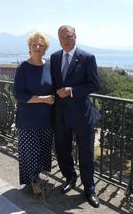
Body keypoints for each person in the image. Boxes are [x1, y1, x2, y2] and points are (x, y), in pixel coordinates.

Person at [50, 25, 100, 208]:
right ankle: (70, 178)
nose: (65, 40)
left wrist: (72, 91)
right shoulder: (54, 58)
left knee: (86, 154)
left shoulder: (87, 58)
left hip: (82, 116)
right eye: (61, 37)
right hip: (61, 115)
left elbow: (94, 84)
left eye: (68, 36)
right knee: (62, 151)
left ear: (75, 37)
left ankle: (89, 190)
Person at [13, 31, 55, 196]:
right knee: (31, 151)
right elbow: (18, 94)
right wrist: (42, 99)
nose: (37, 47)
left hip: (46, 118)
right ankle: (34, 180)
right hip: (27, 119)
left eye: (41, 45)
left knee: (43, 149)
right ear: (29, 48)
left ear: (45, 48)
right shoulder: (23, 68)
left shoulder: (50, 65)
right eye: (34, 45)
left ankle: (37, 175)